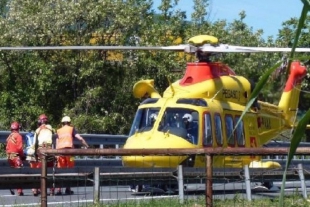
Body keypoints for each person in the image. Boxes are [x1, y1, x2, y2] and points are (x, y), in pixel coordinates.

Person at [55, 116, 89, 195]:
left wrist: (56, 154)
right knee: (70, 170)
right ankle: (68, 189)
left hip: (60, 153)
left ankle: (59, 190)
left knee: (60, 171)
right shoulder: (71, 129)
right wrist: (87, 146)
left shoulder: (58, 131)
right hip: (70, 152)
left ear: (62, 123)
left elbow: (57, 144)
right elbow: (79, 138)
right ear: (69, 123)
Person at [30, 114, 55, 196]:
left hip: (41, 150)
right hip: (49, 150)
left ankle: (38, 189)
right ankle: (52, 190)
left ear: (39, 121)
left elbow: (34, 144)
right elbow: (53, 138)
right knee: (50, 170)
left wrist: (33, 154)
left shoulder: (37, 130)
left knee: (41, 170)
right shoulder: (50, 128)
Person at [6, 121, 25, 196]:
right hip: (15, 156)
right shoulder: (18, 136)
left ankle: (12, 185)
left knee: (13, 173)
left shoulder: (9, 136)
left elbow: (7, 147)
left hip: (9, 156)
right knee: (19, 173)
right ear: (18, 128)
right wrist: (22, 156)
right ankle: (19, 190)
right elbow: (19, 148)